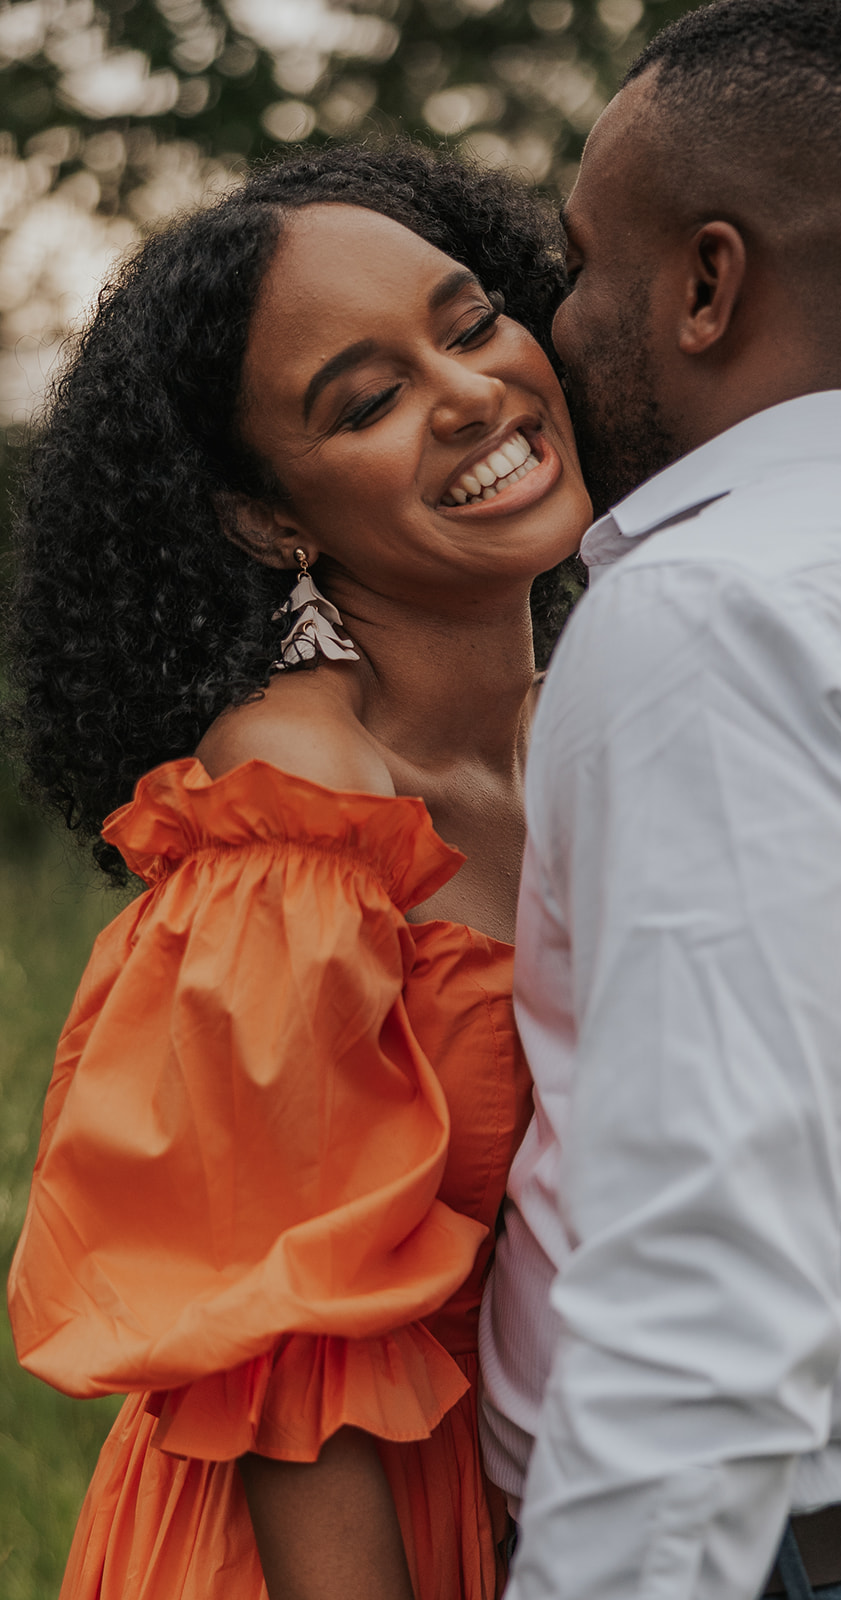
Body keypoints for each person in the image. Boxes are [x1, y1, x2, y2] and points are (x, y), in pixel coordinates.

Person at [479, 3, 841, 1597]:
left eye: (588, 261)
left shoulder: (711, 611)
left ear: (707, 283)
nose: (558, 314)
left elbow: (702, 1280)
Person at [5, 141, 591, 1600]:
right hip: (331, 1550)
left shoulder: (575, 737)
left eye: (470, 324)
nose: (468, 394)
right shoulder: (298, 810)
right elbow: (291, 1352)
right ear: (271, 519)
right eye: (369, 401)